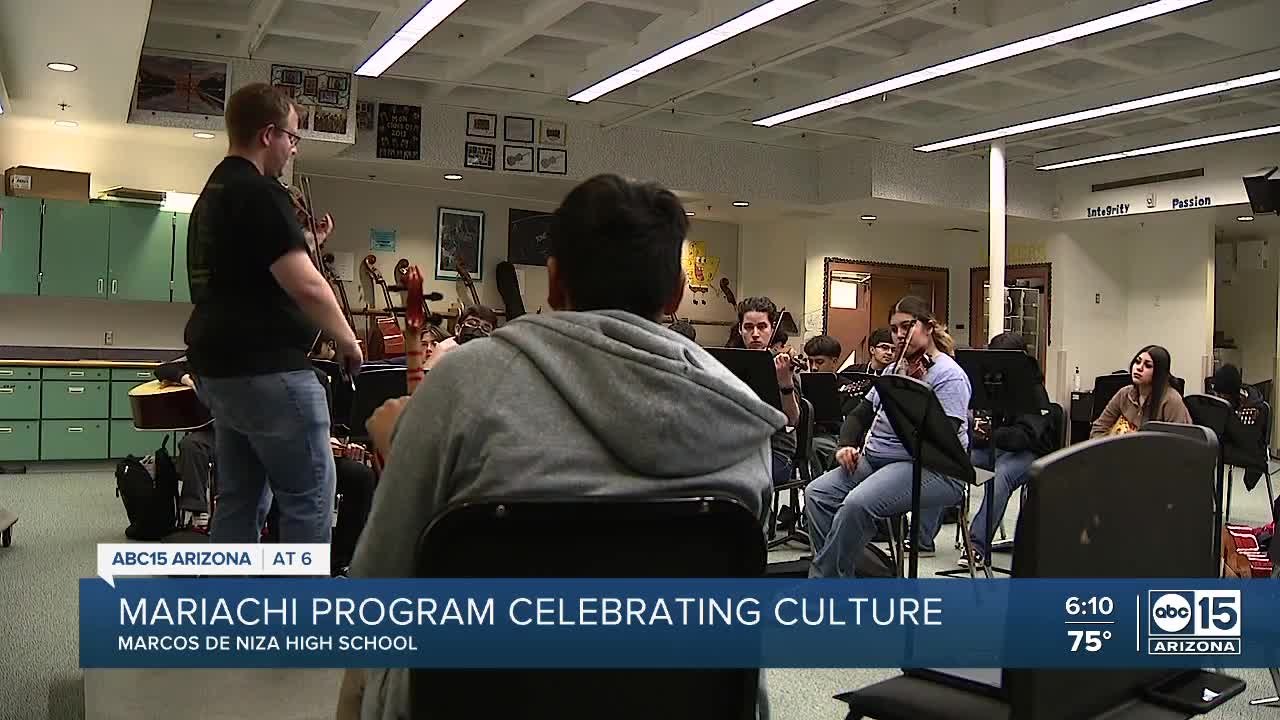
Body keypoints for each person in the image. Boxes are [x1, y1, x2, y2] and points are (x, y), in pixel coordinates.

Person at [340, 174, 784, 720]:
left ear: (553, 284)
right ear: (672, 295)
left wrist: (399, 444)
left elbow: (378, 587)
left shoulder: (463, 382)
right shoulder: (739, 413)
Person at [184, 82, 362, 545]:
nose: (293, 149)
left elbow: (254, 267)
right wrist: (346, 338)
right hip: (268, 372)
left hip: (220, 371)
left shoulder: (215, 192)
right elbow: (305, 284)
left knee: (241, 499)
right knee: (310, 500)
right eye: (292, 137)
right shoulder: (261, 192)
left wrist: (308, 245)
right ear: (268, 135)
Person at [152, 356, 375, 575]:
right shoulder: (221, 365)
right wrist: (188, 380)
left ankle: (341, 560)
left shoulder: (316, 379)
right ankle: (203, 520)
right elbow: (164, 369)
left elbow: (328, 433)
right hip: (245, 441)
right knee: (202, 450)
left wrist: (336, 443)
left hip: (302, 448)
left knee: (361, 476)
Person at [804, 296, 969, 576]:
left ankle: (823, 583)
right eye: (894, 329)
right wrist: (846, 445)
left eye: (908, 326)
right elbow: (859, 414)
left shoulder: (948, 375)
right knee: (817, 494)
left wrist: (911, 393)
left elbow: (942, 438)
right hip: (877, 461)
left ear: (928, 328)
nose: (900, 335)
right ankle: (843, 580)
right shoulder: (893, 369)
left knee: (857, 504)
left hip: (931, 467)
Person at [961, 332, 1056, 569]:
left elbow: (1024, 437)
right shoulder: (992, 384)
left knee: (1000, 475)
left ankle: (977, 546)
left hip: (1031, 454)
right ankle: (922, 539)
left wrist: (991, 433)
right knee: (951, 460)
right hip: (997, 448)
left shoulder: (1034, 391)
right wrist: (978, 431)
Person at [736, 296, 803, 485]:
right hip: (737, 448)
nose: (755, 334)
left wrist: (785, 382)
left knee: (740, 481)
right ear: (740, 329)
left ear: (772, 329)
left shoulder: (784, 365)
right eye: (748, 327)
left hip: (775, 452)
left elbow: (792, 420)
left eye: (762, 327)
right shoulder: (730, 361)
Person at [1090, 345, 1190, 437]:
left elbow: (1178, 442)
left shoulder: (1171, 400)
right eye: (1137, 362)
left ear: (1158, 373)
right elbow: (1098, 429)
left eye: (1148, 365)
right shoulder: (1124, 393)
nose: (1139, 368)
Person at [424, 303, 499, 370]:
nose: (478, 329)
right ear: (457, 329)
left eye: (485, 328)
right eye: (472, 323)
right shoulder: (443, 352)